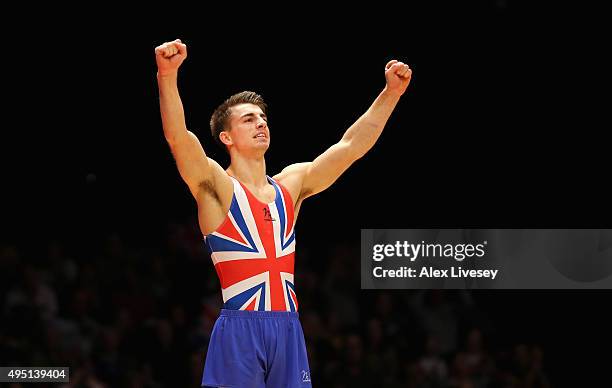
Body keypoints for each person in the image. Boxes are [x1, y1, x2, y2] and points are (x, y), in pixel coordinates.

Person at [155, 38, 412, 388]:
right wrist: (167, 75)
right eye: (249, 119)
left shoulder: (290, 187)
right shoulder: (216, 187)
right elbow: (178, 138)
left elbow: (350, 147)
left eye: (263, 117)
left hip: (288, 328)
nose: (261, 123)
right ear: (226, 137)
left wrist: (391, 94)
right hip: (241, 332)